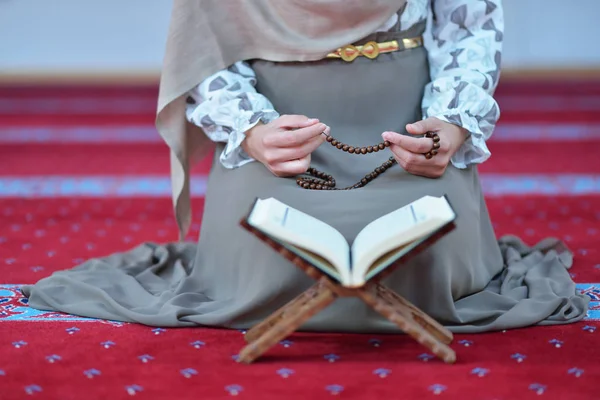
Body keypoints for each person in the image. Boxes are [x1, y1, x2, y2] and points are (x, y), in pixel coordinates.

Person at [22, 0, 588, 333]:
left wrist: (451, 126)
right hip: (277, 140)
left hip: (408, 132)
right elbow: (204, 50)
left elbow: (469, 27)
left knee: (420, 250)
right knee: (274, 257)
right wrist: (251, 131)